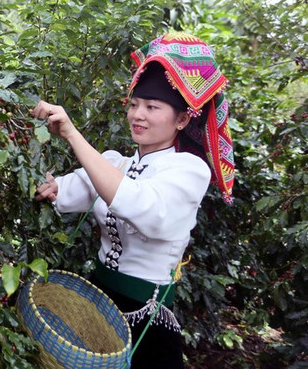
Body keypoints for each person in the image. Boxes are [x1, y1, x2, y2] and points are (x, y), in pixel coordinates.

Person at [31, 32, 234, 369]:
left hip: (145, 319)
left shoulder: (189, 170)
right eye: (135, 104)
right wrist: (40, 178)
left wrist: (72, 133)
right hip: (95, 304)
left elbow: (138, 204)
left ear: (182, 119)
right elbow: (64, 190)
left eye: (152, 107)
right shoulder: (116, 163)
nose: (138, 114)